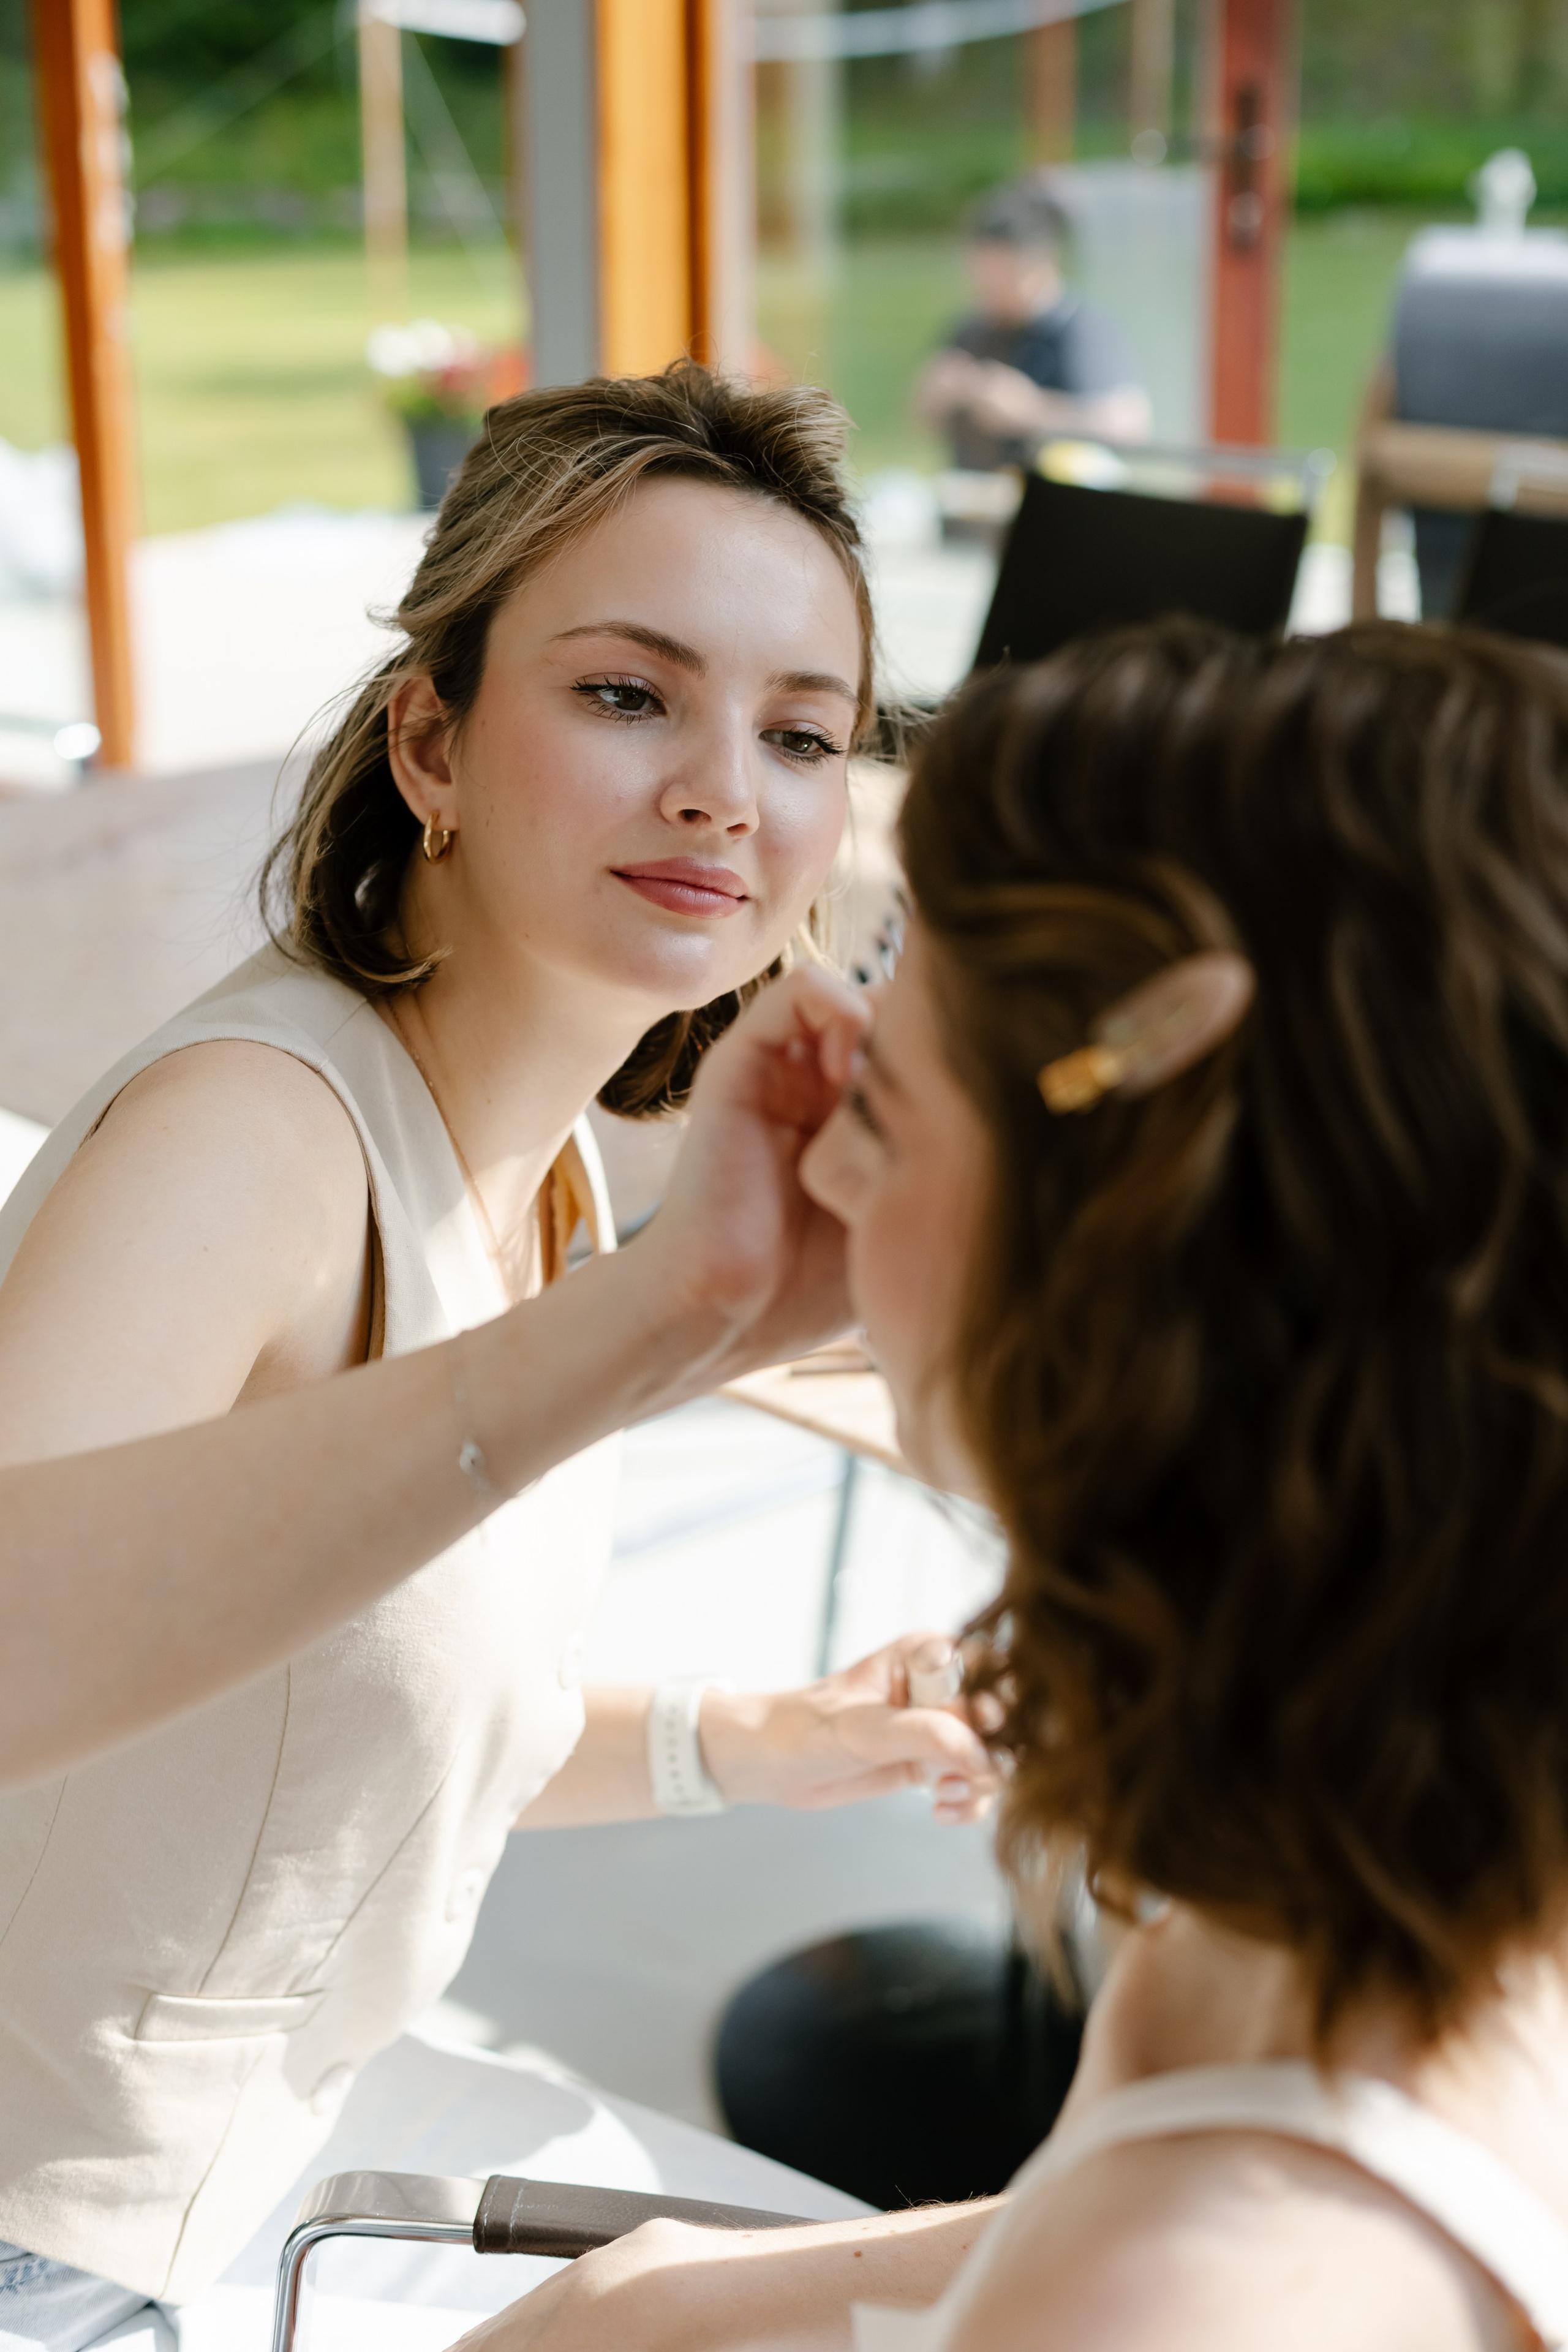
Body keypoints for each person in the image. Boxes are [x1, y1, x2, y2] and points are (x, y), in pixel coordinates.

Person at [0, 362, 995, 2346]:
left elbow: (345, 1716)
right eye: (631, 695)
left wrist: (750, 1744)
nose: (725, 784)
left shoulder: (528, 1169)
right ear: (430, 745)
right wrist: (657, 1324)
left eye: (801, 732)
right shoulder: (262, 1132)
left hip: (233, 2190)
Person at [468, 616, 1568, 2351]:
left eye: (888, 1105)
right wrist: (686, 2290)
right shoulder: (1389, 1831)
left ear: (1129, 1252)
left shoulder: (1202, 2293)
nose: (817, 1152)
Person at [914, 182, 1151, 475]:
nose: (991, 292)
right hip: (971, 503)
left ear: (1043, 263)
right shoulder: (974, 329)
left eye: (1004, 278)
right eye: (982, 278)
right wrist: (936, 395)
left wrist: (1032, 411)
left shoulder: (1079, 332)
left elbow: (1130, 428)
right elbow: (920, 419)